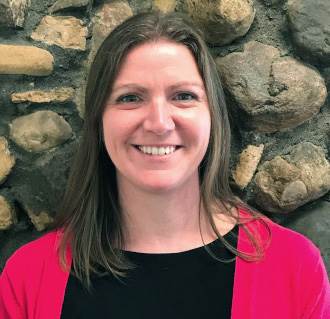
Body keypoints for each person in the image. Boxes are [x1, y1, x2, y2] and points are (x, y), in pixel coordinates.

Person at [0, 11, 329, 319]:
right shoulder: (28, 278)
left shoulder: (293, 269)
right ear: (100, 121)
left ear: (212, 116)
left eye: (183, 96)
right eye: (130, 97)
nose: (159, 123)